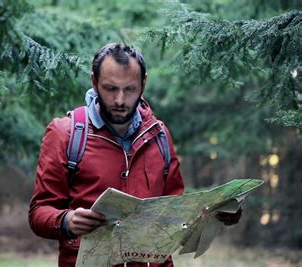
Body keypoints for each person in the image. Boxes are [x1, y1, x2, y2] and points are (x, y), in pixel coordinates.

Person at [29, 43, 242, 267]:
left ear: (143, 83)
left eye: (129, 89)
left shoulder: (159, 135)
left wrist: (216, 217)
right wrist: (66, 221)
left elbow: (175, 216)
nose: (120, 100)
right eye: (110, 89)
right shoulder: (66, 133)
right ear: (94, 82)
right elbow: (38, 213)